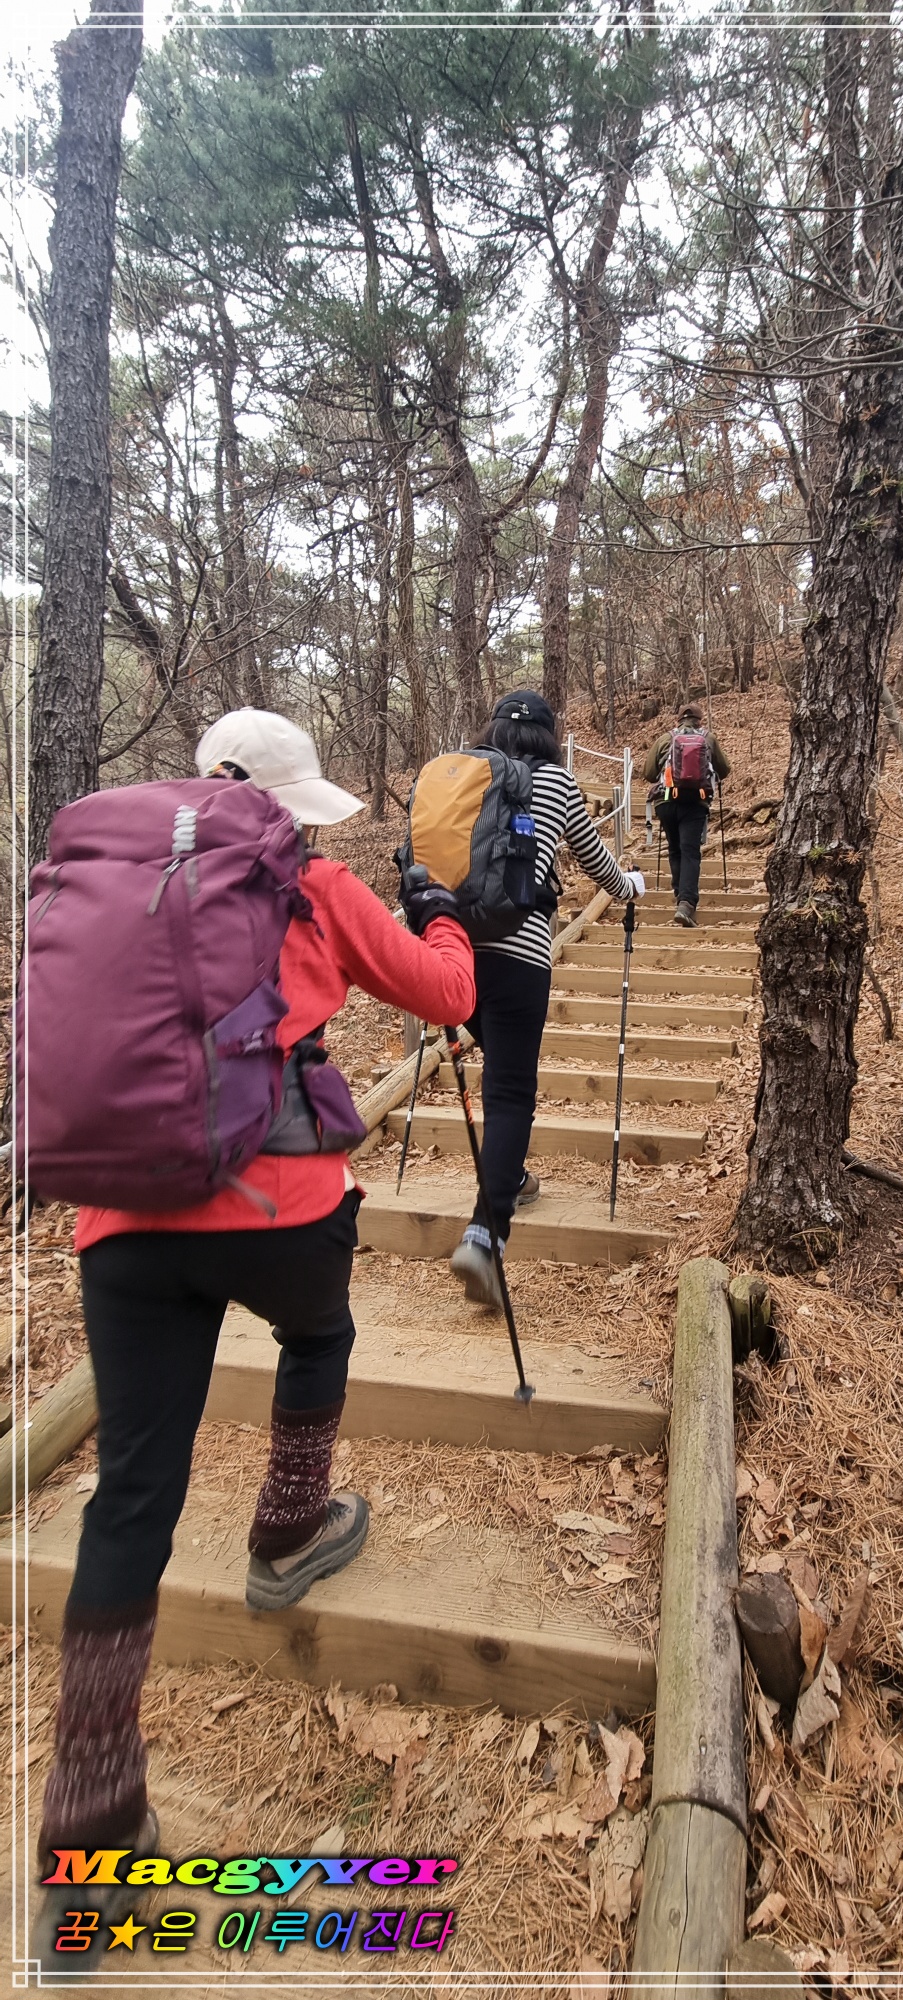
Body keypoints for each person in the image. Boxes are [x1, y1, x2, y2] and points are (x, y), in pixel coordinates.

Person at [33, 710, 475, 1963]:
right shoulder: (313, 882)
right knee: (318, 1334)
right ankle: (287, 1525)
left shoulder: (121, 880)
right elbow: (447, 991)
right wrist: (442, 912)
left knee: (131, 1497)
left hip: (123, 1220)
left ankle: (88, 1825)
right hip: (280, 1205)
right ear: (288, 806)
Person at [449, 691, 643, 1310]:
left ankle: (511, 1177)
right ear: (549, 736)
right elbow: (596, 863)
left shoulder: (466, 772)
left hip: (453, 954)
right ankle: (484, 1237)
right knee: (510, 1093)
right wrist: (630, 885)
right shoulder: (557, 781)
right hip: (519, 956)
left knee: (498, 1073)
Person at [642, 703, 731, 927]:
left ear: (679, 719)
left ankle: (680, 894)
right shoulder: (708, 738)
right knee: (690, 851)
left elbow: (649, 773)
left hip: (666, 801)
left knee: (675, 849)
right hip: (695, 802)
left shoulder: (665, 739)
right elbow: (725, 770)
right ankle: (686, 903)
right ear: (700, 720)